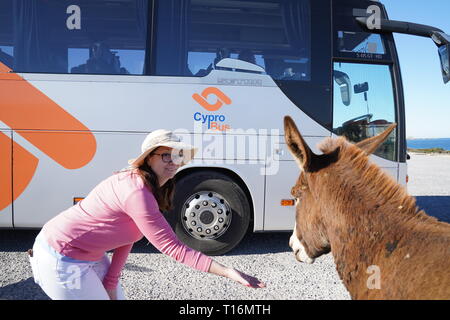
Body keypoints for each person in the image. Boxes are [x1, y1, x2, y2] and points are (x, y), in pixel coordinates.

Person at [28, 129, 265, 300]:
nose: (174, 162)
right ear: (148, 158)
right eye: (166, 155)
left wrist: (111, 283)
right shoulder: (136, 192)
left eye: (178, 156)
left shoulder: (155, 188)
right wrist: (227, 272)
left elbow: (126, 236)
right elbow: (174, 248)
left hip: (89, 254)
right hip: (60, 255)